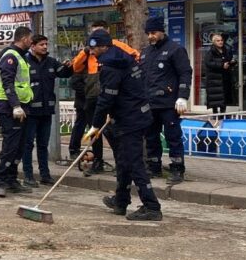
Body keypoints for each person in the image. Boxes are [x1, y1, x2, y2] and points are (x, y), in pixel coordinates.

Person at [84, 29, 162, 221]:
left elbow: (105, 98)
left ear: (103, 46)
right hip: (134, 113)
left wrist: (95, 125)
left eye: (94, 49)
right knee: (123, 161)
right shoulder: (122, 56)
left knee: (134, 162)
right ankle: (121, 201)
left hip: (130, 119)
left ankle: (152, 206)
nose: (91, 52)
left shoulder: (110, 66)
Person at [70, 20, 140, 175]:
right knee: (94, 131)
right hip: (93, 93)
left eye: (99, 31)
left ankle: (120, 163)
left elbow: (135, 56)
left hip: (110, 93)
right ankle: (97, 161)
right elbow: (76, 66)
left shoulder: (115, 46)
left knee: (111, 131)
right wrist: (86, 52)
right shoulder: (90, 49)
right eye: (93, 31)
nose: (96, 34)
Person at [141, 17, 192, 185]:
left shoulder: (175, 50)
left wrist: (183, 96)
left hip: (169, 103)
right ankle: (154, 166)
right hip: (150, 102)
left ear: (162, 31)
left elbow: (185, 73)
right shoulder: (146, 52)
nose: (151, 36)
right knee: (151, 136)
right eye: (148, 33)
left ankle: (177, 168)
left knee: (173, 136)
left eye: (153, 32)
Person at [22, 34, 72, 186]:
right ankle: (28, 176)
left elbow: (63, 73)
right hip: (30, 112)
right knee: (28, 144)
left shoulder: (50, 62)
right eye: (41, 44)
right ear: (33, 46)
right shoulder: (24, 61)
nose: (45, 47)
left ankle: (45, 174)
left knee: (43, 145)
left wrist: (69, 66)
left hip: (46, 111)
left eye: (46, 44)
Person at [0, 26, 35, 197]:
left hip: (22, 108)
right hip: (9, 108)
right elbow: (7, 82)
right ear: (24, 39)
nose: (31, 42)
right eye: (30, 39)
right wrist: (15, 105)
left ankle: (11, 179)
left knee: (20, 147)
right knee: (10, 147)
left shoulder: (21, 56)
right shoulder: (10, 56)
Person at [202, 33, 234, 114]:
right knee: (215, 98)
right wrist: (221, 65)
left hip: (224, 77)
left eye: (221, 40)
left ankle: (223, 113)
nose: (220, 42)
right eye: (218, 41)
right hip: (214, 79)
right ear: (214, 42)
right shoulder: (210, 52)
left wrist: (232, 63)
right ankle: (215, 113)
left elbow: (228, 60)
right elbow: (208, 63)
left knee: (224, 97)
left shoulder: (226, 50)